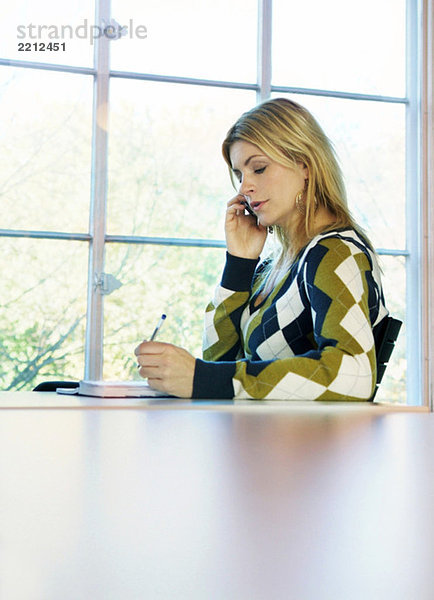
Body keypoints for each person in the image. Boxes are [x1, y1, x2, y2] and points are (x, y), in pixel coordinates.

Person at [135, 98, 388, 400]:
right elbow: (220, 361)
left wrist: (207, 378)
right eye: (240, 175)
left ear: (304, 165)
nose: (244, 188)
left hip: (312, 447)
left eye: (259, 168)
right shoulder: (275, 266)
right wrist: (239, 263)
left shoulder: (334, 252)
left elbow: (354, 373)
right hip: (261, 441)